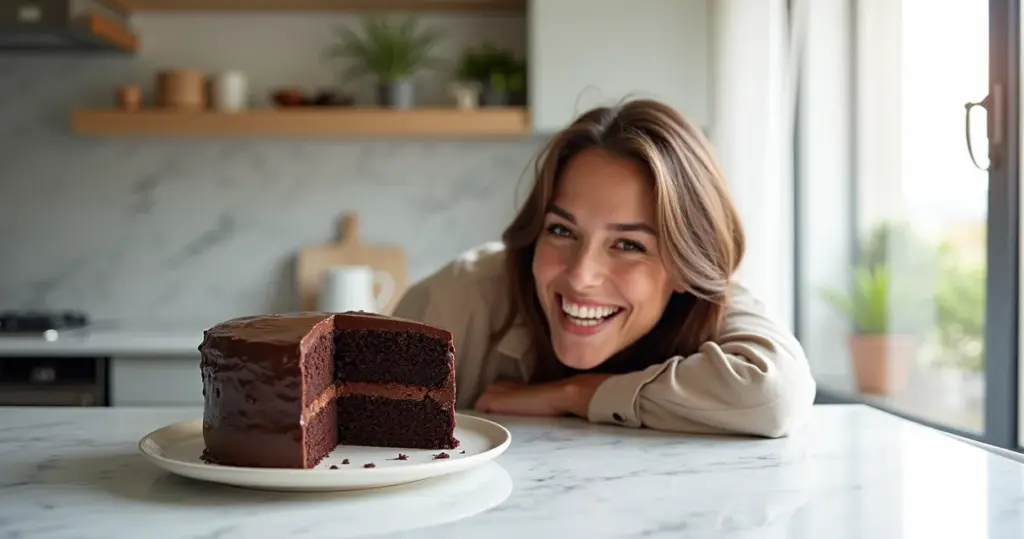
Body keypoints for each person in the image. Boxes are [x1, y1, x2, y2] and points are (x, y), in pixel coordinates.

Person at [393, 98, 816, 438]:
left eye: (629, 244)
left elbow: (773, 395)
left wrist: (576, 394)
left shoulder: (713, 302)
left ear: (686, 266)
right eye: (561, 230)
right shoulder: (456, 299)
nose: (580, 276)